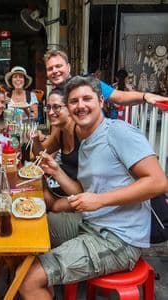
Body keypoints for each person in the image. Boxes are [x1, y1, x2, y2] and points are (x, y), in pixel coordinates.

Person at [19, 76, 168, 299]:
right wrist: (56, 172)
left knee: (28, 279)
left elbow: (158, 182)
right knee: (29, 230)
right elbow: (83, 192)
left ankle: (40, 283)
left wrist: (100, 200)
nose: (80, 106)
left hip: (119, 238)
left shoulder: (118, 132)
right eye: (74, 101)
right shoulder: (86, 139)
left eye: (87, 99)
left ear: (100, 101)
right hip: (91, 223)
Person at [44, 49, 168, 104]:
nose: (54, 71)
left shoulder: (88, 83)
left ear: (68, 67)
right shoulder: (53, 96)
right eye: (50, 68)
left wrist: (146, 96)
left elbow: (119, 97)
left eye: (58, 66)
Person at [32, 88, 80, 210]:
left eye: (56, 107)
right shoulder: (60, 131)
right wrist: (35, 139)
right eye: (48, 107)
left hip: (76, 196)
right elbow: (40, 155)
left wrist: (51, 199)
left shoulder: (80, 134)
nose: (51, 112)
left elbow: (87, 191)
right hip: (58, 188)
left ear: (69, 108)